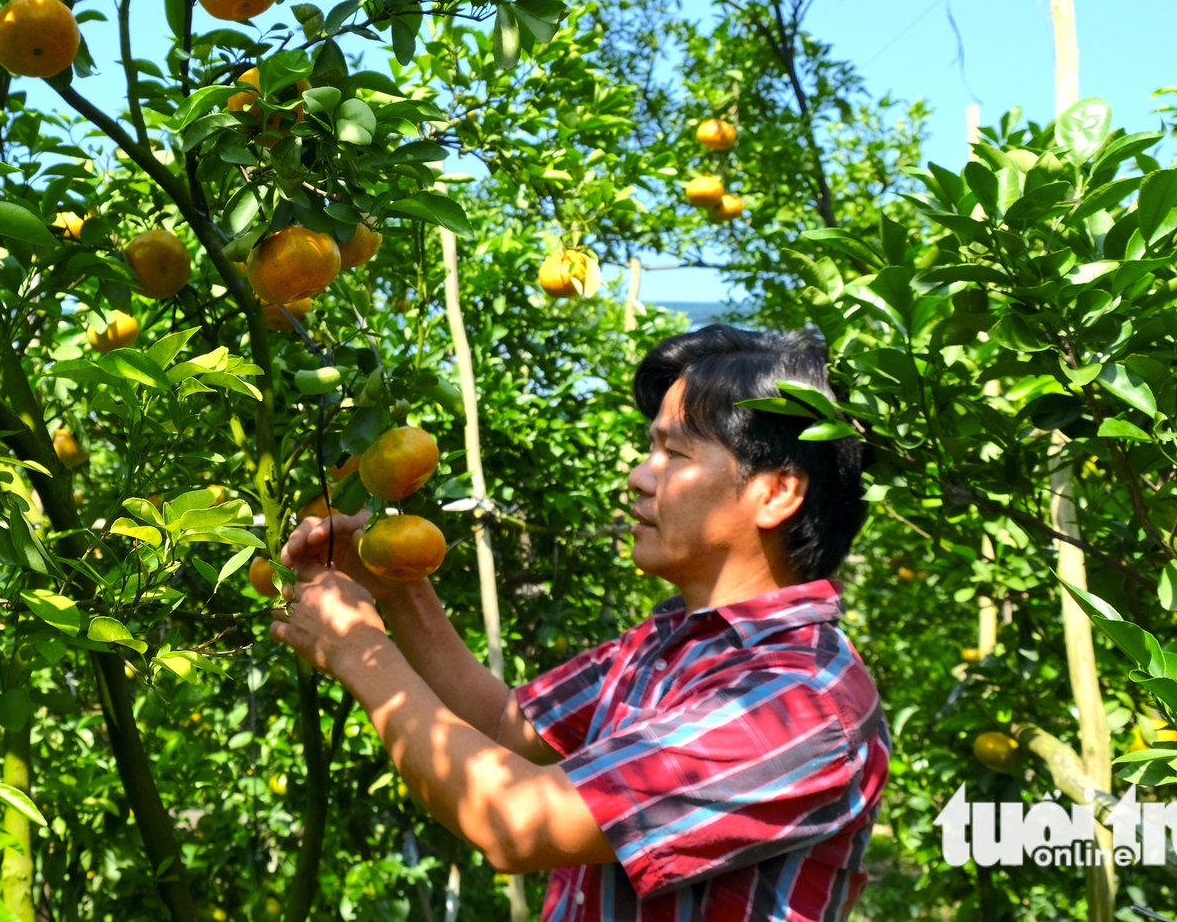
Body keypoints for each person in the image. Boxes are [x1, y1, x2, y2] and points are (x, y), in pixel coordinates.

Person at [271, 325, 890, 921]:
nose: (640, 476)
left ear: (777, 493)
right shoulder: (670, 642)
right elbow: (500, 726)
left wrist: (359, 651)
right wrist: (397, 589)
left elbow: (517, 819)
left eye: (674, 453)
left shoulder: (799, 702)